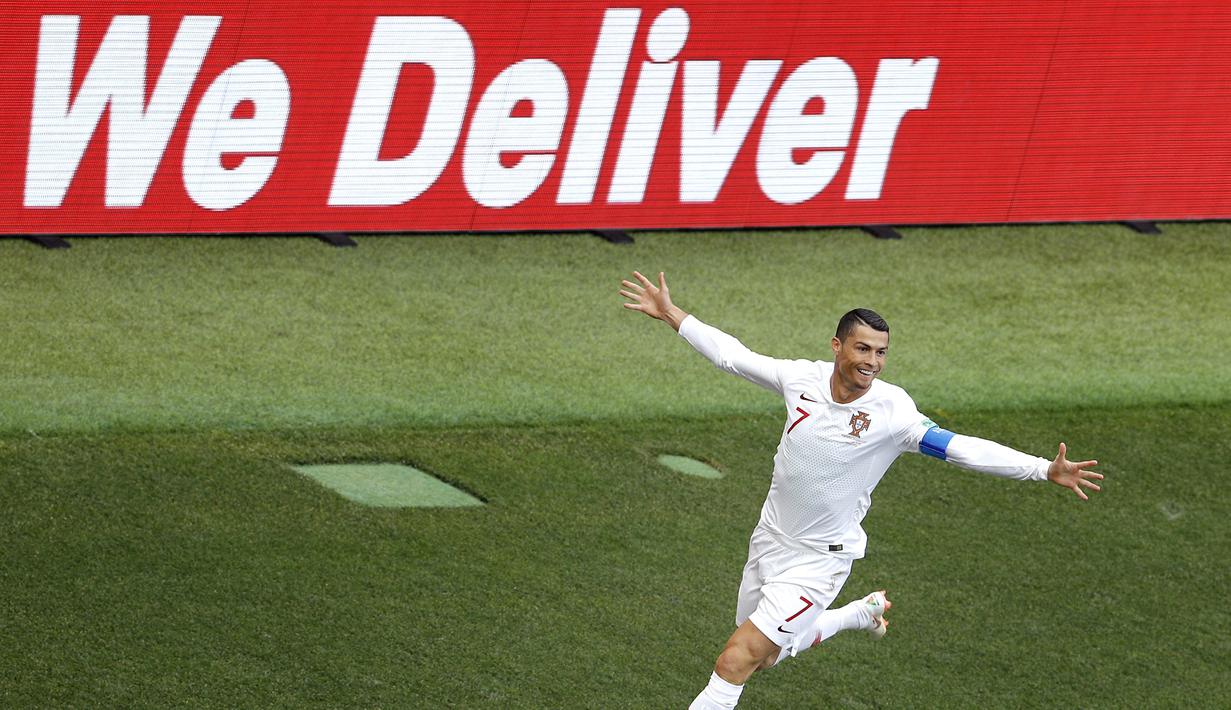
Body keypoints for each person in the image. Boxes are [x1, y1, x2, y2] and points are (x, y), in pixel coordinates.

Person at [618, 270, 1104, 710]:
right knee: (762, 657)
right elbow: (733, 357)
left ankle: (842, 612)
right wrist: (672, 315)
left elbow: (960, 448)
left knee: (736, 660)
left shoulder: (895, 414)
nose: (872, 362)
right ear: (837, 345)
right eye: (863, 348)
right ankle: (857, 614)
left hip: (820, 560)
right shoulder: (800, 380)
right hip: (770, 538)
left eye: (881, 352)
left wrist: (1041, 469)